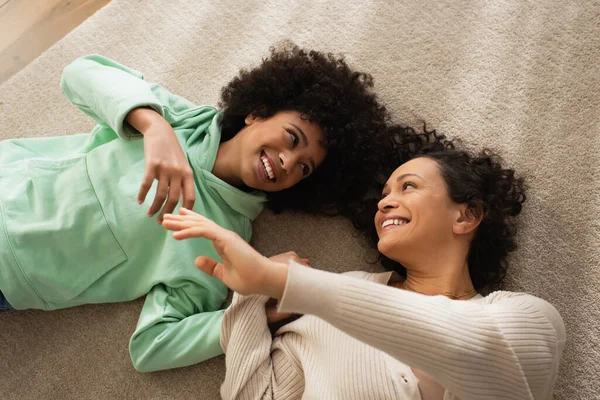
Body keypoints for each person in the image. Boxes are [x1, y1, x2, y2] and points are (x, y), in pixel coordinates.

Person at [0, 44, 393, 372]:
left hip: (11, 277)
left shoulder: (221, 240)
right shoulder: (184, 120)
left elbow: (152, 347)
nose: (289, 162)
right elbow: (80, 72)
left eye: (304, 168)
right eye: (292, 138)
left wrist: (253, 311)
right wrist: (154, 126)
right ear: (257, 110)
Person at [163, 131, 566, 399]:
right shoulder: (326, 309)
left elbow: (468, 347)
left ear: (466, 216)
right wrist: (250, 296)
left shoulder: (530, 317)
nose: (384, 202)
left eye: (408, 187)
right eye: (384, 193)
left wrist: (283, 280)